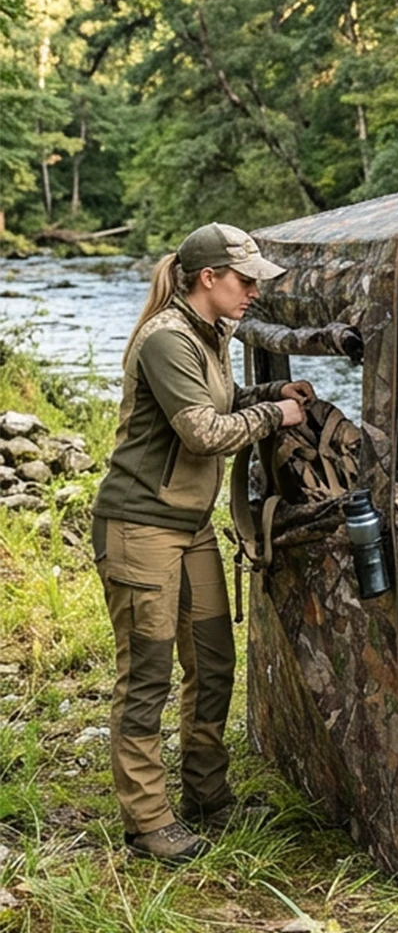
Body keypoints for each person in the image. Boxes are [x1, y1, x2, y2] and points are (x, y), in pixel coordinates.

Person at [91, 223, 327, 864]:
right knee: (146, 675)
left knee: (214, 661)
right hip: (140, 528)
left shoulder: (209, 333)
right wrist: (274, 417)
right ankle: (147, 821)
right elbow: (200, 431)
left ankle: (205, 794)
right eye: (246, 281)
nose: (254, 292)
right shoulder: (167, 339)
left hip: (188, 528)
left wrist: (266, 393)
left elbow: (216, 402)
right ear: (209, 279)